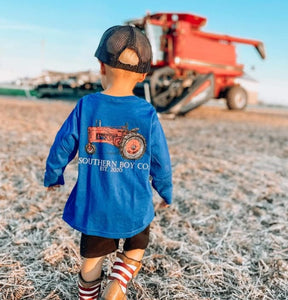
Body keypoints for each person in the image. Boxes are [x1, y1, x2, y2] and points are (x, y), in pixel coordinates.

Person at [44, 25, 173, 300]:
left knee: (91, 262)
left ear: (101, 66)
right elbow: (161, 159)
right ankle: (118, 285)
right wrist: (165, 190)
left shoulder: (87, 105)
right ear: (143, 75)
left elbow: (63, 143)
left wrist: (53, 175)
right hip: (135, 204)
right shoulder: (147, 112)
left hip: (96, 206)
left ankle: (90, 296)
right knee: (136, 248)